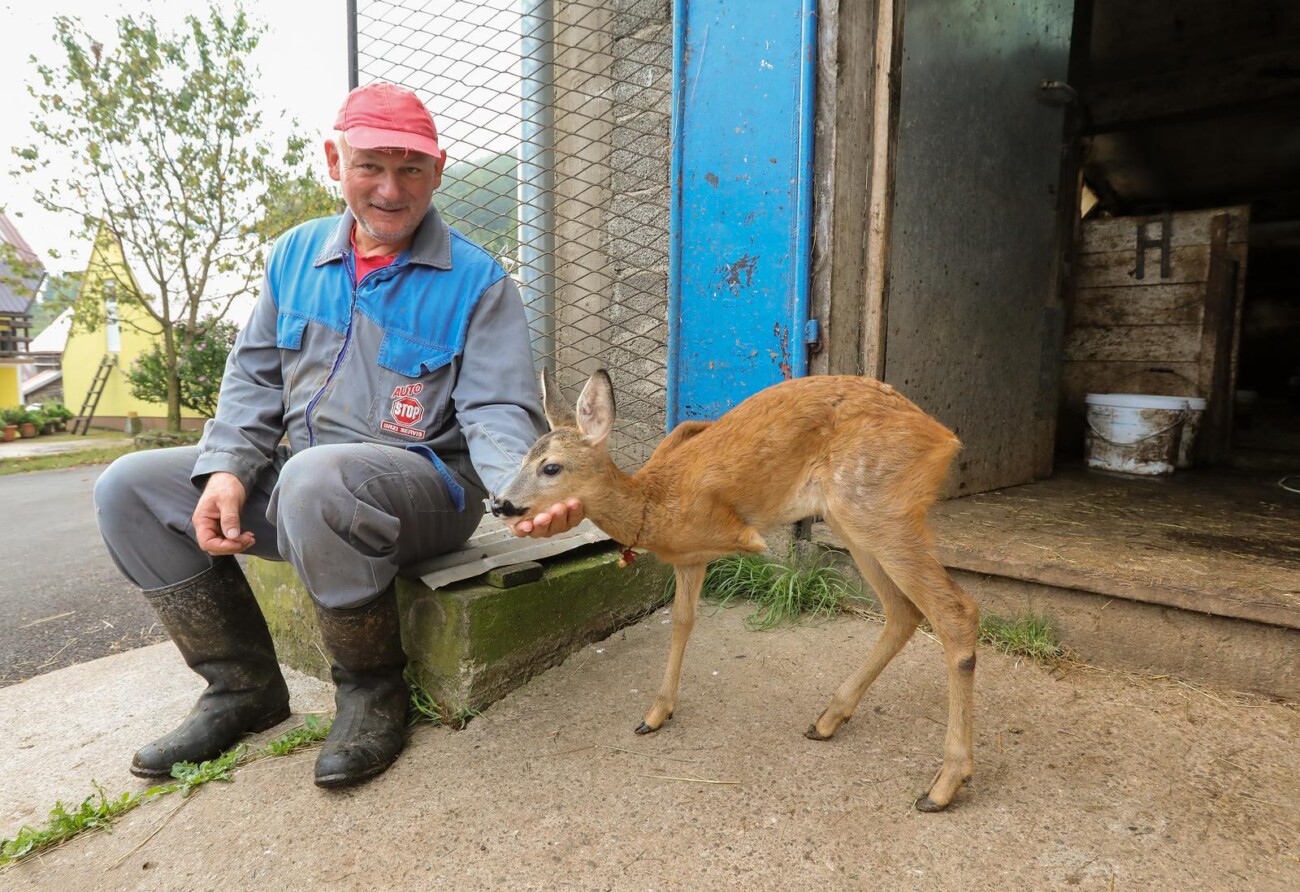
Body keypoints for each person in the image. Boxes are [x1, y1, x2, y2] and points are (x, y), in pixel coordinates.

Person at [93, 81, 583, 789]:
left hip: (427, 496)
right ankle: (243, 690)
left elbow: (499, 412)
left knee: (313, 477)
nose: (390, 189)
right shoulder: (293, 257)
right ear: (334, 161)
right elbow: (253, 380)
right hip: (307, 487)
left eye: (411, 169)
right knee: (129, 487)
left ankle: (372, 689)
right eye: (370, 166)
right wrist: (227, 470)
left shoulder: (478, 281)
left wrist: (522, 495)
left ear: (438, 172)